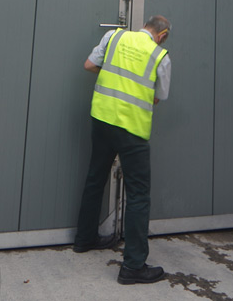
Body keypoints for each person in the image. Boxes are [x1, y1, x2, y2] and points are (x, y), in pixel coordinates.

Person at [73, 15, 172, 285]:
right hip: (131, 129)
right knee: (139, 195)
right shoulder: (160, 55)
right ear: (161, 35)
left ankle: (84, 239)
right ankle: (133, 266)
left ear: (145, 26)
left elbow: (89, 65)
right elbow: (157, 97)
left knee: (96, 177)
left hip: (102, 119)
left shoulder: (114, 36)